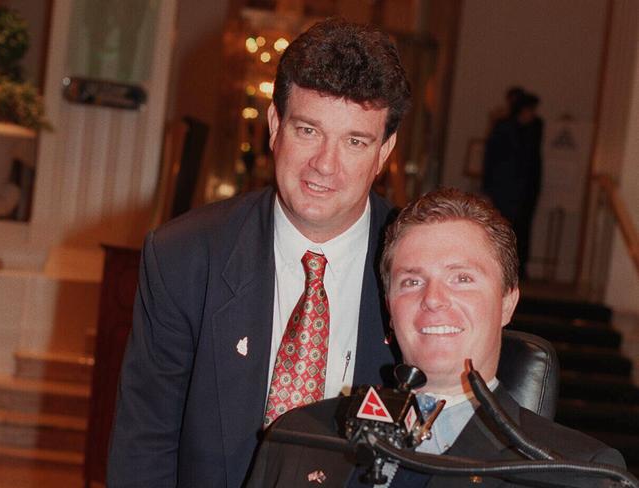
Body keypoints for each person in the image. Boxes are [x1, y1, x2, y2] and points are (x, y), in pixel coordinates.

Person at [107, 18, 411, 488]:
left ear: (384, 151)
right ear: (275, 126)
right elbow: (144, 448)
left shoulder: (420, 267)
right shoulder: (184, 258)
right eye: (308, 130)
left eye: (355, 141)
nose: (324, 165)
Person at [246, 188, 625, 487]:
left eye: (462, 278)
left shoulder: (578, 473)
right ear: (389, 312)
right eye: (412, 281)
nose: (433, 300)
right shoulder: (299, 437)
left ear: (508, 303)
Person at [482, 91, 543, 279]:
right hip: (504, 189)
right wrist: (488, 187)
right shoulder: (504, 128)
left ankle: (519, 267)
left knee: (523, 229)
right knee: (504, 228)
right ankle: (502, 268)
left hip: (526, 190)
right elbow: (491, 159)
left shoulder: (534, 129)